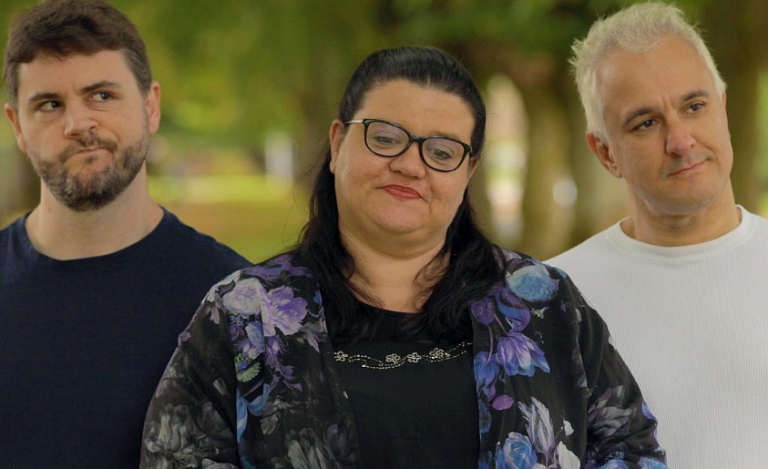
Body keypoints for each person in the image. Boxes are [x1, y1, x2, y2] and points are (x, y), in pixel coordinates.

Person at [141, 46, 667, 469]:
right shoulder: (244, 314)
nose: (411, 165)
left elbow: (631, 448)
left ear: (468, 171)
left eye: (441, 151)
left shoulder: (544, 304)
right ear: (337, 143)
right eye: (386, 138)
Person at [0, 0, 249, 467]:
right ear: (17, 127)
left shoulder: (234, 301)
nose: (78, 123)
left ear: (150, 106)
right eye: (49, 104)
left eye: (102, 95)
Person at [547, 1, 768, 469]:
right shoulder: (553, 301)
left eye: (694, 106)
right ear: (605, 153)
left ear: (724, 109)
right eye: (646, 123)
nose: (680, 141)